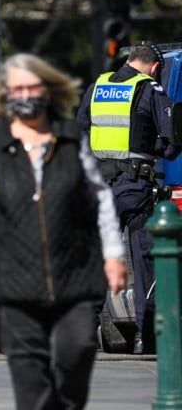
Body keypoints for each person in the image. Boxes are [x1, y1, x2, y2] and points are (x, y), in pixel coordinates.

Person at [0, 53, 127, 410]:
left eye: (33, 87)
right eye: (18, 88)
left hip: (75, 273)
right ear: (7, 93)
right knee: (28, 368)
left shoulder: (69, 137)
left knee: (77, 347)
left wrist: (112, 255)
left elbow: (99, 198)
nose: (26, 94)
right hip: (15, 278)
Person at [76, 40, 181, 354]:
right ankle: (146, 336)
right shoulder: (150, 90)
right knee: (144, 257)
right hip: (134, 188)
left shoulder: (98, 85)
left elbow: (79, 131)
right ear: (155, 66)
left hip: (98, 185)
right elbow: (171, 143)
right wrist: (150, 153)